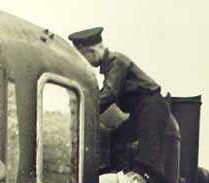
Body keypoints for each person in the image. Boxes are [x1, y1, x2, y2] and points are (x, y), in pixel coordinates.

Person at [68, 27, 171, 173]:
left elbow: (109, 93)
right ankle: (119, 174)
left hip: (151, 107)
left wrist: (86, 110)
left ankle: (146, 182)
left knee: (149, 156)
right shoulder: (112, 64)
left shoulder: (116, 61)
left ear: (92, 52)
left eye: (84, 58)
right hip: (141, 109)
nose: (86, 63)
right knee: (118, 138)